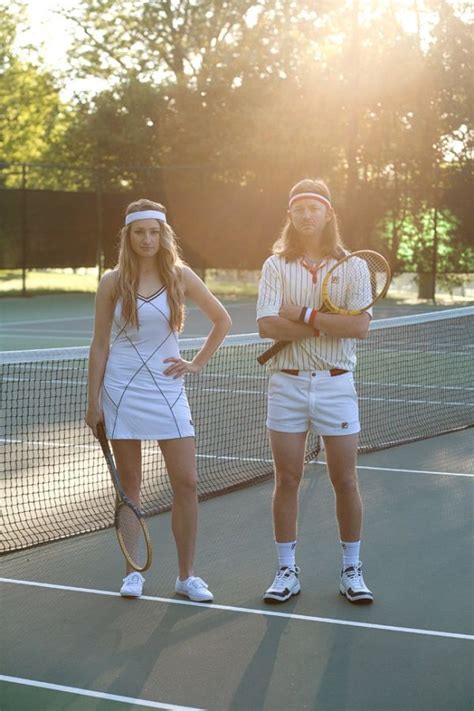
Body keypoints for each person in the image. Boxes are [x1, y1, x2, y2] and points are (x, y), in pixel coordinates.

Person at [86, 198, 231, 601]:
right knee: (130, 485)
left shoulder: (180, 275)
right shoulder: (112, 281)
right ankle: (133, 571)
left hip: (168, 390)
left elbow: (223, 320)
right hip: (121, 390)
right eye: (139, 231)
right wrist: (92, 400)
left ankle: (187, 576)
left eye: (154, 231)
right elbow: (99, 345)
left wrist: (196, 363)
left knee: (187, 482)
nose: (147, 239)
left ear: (163, 234)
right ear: (127, 236)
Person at [256, 178, 374, 605]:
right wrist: (326, 323)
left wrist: (303, 314)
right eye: (299, 209)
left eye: (314, 208)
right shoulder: (275, 266)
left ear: (328, 214)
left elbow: (359, 327)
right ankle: (286, 570)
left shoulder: (354, 266)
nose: (307, 215)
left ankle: (351, 571)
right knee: (286, 479)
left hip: (336, 384)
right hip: (285, 384)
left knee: (345, 479)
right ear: (291, 215)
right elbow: (267, 325)